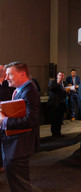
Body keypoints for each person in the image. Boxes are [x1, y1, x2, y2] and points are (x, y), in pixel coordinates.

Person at [0, 62, 40, 191]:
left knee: (20, 185)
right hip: (15, 144)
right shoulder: (22, 90)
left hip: (20, 145)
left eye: (10, 74)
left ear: (22, 74)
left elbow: (31, 120)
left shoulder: (29, 91)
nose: (6, 78)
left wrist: (4, 120)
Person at [0, 65, 15, 173]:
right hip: (1, 117)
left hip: (7, 118)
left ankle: (4, 163)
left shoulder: (7, 84)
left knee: (5, 142)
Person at [48, 72, 68, 137]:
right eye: (60, 75)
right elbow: (51, 88)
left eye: (62, 75)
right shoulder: (52, 82)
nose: (61, 76)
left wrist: (67, 91)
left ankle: (58, 132)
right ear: (57, 76)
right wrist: (58, 82)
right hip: (54, 104)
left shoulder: (64, 83)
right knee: (54, 119)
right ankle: (54, 133)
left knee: (60, 119)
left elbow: (64, 93)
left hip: (62, 103)